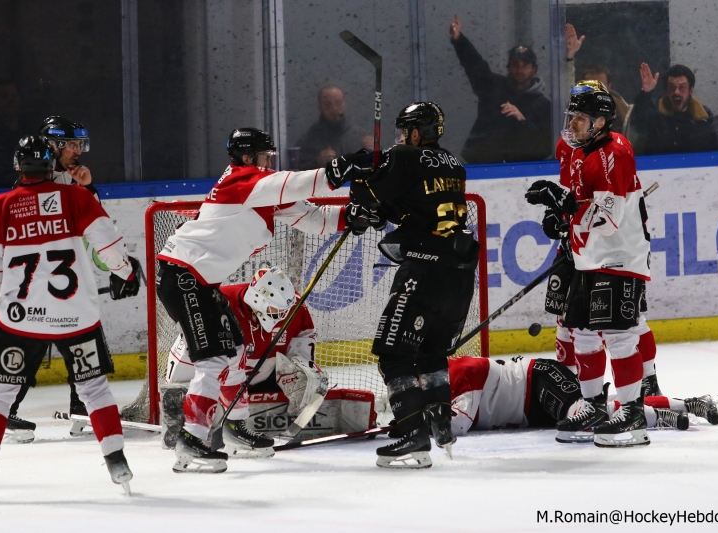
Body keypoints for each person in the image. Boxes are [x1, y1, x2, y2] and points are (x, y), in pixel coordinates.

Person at [156, 127, 366, 473]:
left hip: (200, 280)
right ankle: (191, 441)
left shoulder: (262, 192)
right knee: (212, 360)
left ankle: (237, 429)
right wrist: (338, 170)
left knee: (236, 351)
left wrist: (352, 216)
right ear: (248, 158)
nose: (270, 162)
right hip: (182, 276)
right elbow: (295, 183)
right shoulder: (241, 181)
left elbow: (313, 219)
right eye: (266, 157)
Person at [0, 136, 140, 495]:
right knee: (94, 389)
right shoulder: (76, 197)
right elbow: (110, 248)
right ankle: (117, 463)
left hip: (19, 320)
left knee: (0, 393)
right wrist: (127, 273)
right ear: (51, 166)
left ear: (19, 167)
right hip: (75, 317)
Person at [327, 101, 480, 469]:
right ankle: (439, 423)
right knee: (430, 354)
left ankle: (412, 435)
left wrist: (362, 172)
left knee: (394, 354)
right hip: (458, 276)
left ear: (415, 132)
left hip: (424, 272)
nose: (400, 137)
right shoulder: (454, 165)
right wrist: (381, 209)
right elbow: (411, 205)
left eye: (404, 131)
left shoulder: (405, 157)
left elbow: (368, 197)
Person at [525, 80, 652, 447]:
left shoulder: (615, 151)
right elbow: (582, 207)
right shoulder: (582, 152)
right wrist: (561, 218)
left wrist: (564, 205)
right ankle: (595, 404)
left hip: (619, 257)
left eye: (580, 117)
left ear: (599, 121)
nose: (573, 123)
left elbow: (606, 219)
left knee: (619, 335)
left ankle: (631, 413)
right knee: (581, 330)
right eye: (572, 116)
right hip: (588, 258)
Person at [4, 116, 101, 442]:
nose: (78, 151)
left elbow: (98, 226)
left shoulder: (77, 179)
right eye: (72, 144)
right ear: (53, 146)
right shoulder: (33, 181)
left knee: (83, 344)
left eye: (79, 144)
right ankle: (6, 411)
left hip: (67, 281)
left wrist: (86, 189)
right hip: (34, 285)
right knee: (30, 345)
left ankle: (83, 407)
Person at [164, 266, 321, 458]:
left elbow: (304, 337)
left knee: (240, 365)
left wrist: (299, 368)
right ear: (258, 301)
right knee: (215, 365)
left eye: (285, 310)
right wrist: (177, 396)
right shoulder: (219, 304)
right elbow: (201, 357)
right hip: (201, 367)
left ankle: (233, 426)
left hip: (246, 376)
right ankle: (191, 423)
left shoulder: (293, 306)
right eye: (276, 310)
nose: (283, 316)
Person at [448, 355, 718, 438]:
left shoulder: (462, 371)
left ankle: (661, 417)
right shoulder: (445, 382)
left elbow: (459, 424)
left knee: (585, 418)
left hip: (537, 380)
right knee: (608, 411)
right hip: (530, 413)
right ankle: (691, 403)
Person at [449, 14, 552, 163]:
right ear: (509, 67)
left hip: (522, 172)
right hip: (481, 166)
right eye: (515, 64)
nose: (520, 69)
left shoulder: (543, 105)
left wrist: (523, 120)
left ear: (534, 70)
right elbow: (474, 65)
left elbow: (545, 147)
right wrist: (459, 40)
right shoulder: (493, 87)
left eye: (525, 65)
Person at [628, 63, 718, 155]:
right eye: (672, 87)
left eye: (682, 87)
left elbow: (713, 152)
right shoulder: (656, 109)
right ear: (667, 90)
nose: (676, 92)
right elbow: (639, 120)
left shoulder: (703, 117)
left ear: (690, 90)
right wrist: (646, 92)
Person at [294, 86, 372, 170]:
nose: (334, 109)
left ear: (344, 105)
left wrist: (376, 153)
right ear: (320, 108)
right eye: (328, 104)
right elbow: (297, 176)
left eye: (338, 103)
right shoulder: (308, 140)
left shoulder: (360, 136)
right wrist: (317, 163)